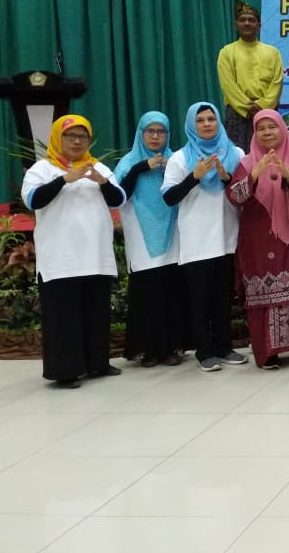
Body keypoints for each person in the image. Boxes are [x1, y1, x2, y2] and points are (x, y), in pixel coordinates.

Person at [22, 115, 125, 388]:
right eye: (71, 136)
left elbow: (118, 200)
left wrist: (103, 182)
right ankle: (65, 371)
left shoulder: (97, 167)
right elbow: (33, 199)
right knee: (63, 316)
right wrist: (65, 179)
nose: (78, 141)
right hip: (61, 258)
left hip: (95, 254)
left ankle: (97, 363)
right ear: (59, 138)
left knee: (96, 312)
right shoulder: (42, 169)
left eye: (83, 137)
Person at [162, 102, 246, 372]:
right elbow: (169, 197)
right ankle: (203, 351)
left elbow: (243, 191)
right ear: (191, 125)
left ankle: (223, 346)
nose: (207, 124)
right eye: (200, 120)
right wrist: (194, 177)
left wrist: (226, 177)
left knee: (223, 298)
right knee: (199, 301)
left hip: (227, 237)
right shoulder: (180, 158)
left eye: (211, 119)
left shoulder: (235, 153)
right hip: (196, 241)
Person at [227, 109, 289, 369]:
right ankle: (268, 353)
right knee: (263, 290)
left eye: (272, 127)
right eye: (261, 128)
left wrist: (287, 173)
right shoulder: (246, 163)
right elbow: (234, 197)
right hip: (258, 238)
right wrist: (255, 173)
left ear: (283, 130)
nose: (267, 132)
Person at [114, 112, 182, 367]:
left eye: (160, 131)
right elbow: (119, 196)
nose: (155, 136)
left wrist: (170, 168)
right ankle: (147, 350)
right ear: (140, 133)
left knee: (170, 290)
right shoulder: (128, 162)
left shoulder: (175, 159)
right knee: (146, 292)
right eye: (150, 131)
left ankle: (170, 348)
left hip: (172, 233)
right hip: (141, 234)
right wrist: (140, 168)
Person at [216, 0, 284, 150]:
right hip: (237, 113)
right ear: (236, 25)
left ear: (259, 25)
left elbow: (277, 83)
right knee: (239, 156)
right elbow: (228, 85)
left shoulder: (272, 53)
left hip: (267, 111)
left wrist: (263, 105)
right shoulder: (227, 52)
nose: (247, 23)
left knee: (269, 154)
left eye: (251, 20)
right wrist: (247, 107)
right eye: (242, 20)